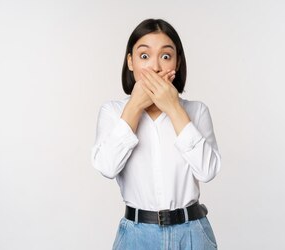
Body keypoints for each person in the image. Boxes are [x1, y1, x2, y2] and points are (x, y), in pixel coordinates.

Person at [91, 18, 221, 250]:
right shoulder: (112, 112)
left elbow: (207, 170)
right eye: (144, 56)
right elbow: (107, 167)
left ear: (177, 62)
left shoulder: (196, 111)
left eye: (165, 56)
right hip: (136, 235)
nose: (155, 67)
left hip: (191, 233)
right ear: (130, 62)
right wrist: (135, 106)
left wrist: (173, 107)